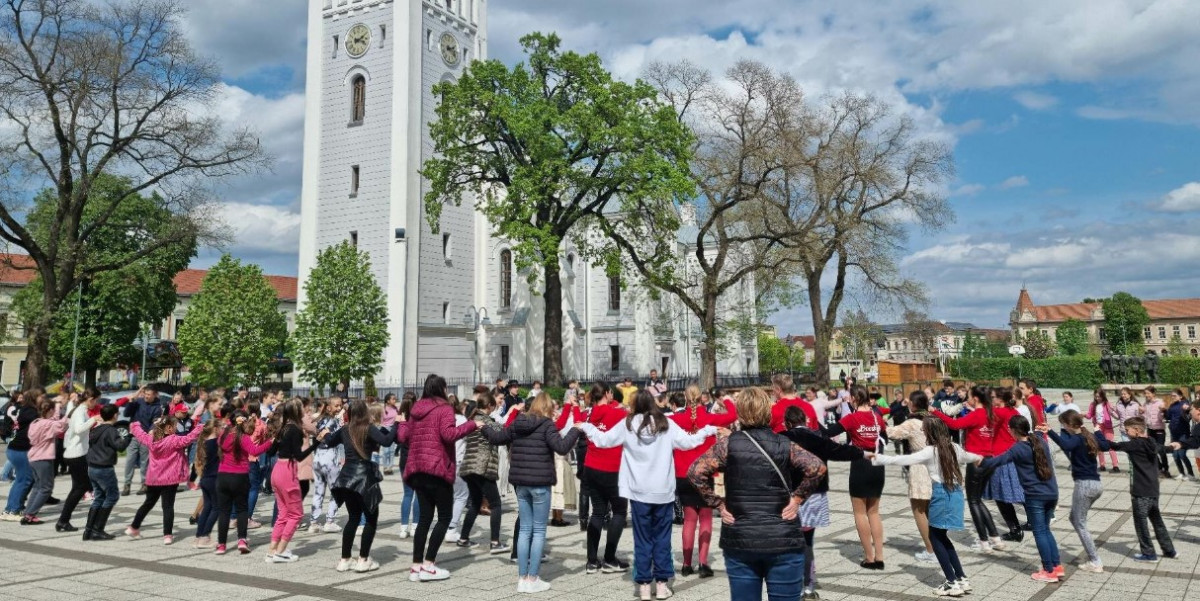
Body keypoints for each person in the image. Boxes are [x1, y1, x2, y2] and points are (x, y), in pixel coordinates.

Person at [688, 386, 826, 601]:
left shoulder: (728, 445)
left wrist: (718, 504)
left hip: (741, 536)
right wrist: (797, 498)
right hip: (783, 536)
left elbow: (695, 472)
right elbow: (816, 467)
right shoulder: (784, 443)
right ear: (768, 412)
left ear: (740, 413)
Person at [578, 390, 717, 601]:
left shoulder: (628, 424)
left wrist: (586, 425)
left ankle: (643, 585)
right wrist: (708, 429)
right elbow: (689, 442)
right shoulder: (665, 424)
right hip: (662, 491)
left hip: (638, 491)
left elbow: (603, 440)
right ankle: (661, 585)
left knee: (642, 540)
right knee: (662, 539)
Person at [478, 392, 581, 594]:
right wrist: (575, 430)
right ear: (547, 408)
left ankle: (522, 578)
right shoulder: (547, 425)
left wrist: (484, 428)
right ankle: (532, 578)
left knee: (525, 530)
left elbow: (499, 438)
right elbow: (562, 447)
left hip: (521, 483)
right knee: (539, 530)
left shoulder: (518, 423)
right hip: (540, 484)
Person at [871, 418, 982, 597]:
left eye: (924, 430)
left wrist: (879, 459)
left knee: (935, 538)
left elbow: (905, 459)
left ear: (930, 432)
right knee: (942, 537)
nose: (923, 433)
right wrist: (978, 458)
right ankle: (961, 578)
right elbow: (968, 457)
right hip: (956, 495)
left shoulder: (930, 451)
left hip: (941, 495)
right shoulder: (954, 446)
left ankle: (951, 582)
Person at [397, 374, 478, 582]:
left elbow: (403, 437)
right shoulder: (444, 408)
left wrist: (404, 422)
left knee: (424, 519)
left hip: (417, 469)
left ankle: (415, 567)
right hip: (437, 468)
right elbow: (449, 435)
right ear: (441, 388)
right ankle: (429, 564)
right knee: (443, 518)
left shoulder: (416, 410)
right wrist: (471, 425)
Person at [780, 406, 862, 600]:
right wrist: (861, 452)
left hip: (789, 496)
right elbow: (839, 450)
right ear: (806, 421)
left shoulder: (782, 438)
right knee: (807, 542)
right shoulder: (818, 438)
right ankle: (808, 586)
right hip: (814, 495)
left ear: (787, 423)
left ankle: (791, 584)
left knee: (789, 542)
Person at [979, 416, 1062, 583]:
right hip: (1052, 492)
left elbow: (998, 461)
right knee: (1046, 530)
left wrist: (979, 462)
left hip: (1035, 496)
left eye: (1009, 429)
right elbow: (1038, 434)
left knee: (1040, 532)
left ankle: (1048, 570)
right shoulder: (1039, 441)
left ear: (1013, 430)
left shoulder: (1018, 448)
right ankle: (1057, 567)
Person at [670, 385, 737, 580]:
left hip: (682, 473)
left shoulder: (676, 419)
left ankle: (686, 563)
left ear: (685, 397)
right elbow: (732, 415)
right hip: (706, 473)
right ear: (702, 398)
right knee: (705, 517)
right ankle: (703, 562)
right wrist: (725, 400)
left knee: (689, 518)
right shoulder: (709, 418)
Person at [322, 399, 393, 572]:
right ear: (364, 412)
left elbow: (329, 441)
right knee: (370, 519)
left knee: (353, 518)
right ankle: (363, 559)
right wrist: (397, 424)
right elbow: (387, 441)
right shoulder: (368, 428)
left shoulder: (345, 429)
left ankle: (345, 559)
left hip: (346, 479)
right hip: (364, 479)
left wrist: (324, 431)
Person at [1097, 416, 1177, 562]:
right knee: (1157, 521)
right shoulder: (1151, 442)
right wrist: (1173, 446)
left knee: (1141, 524)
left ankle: (1149, 554)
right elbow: (1163, 449)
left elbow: (1111, 445)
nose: (1126, 432)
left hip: (1140, 491)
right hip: (1153, 490)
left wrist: (1096, 433)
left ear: (1137, 430)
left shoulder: (1134, 445)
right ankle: (1169, 550)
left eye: (1127, 430)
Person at [934, 386, 1005, 553]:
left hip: (976, 461)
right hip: (989, 459)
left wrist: (935, 412)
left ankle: (984, 541)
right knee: (978, 499)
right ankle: (996, 538)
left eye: (970, 396)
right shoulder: (992, 414)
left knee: (973, 500)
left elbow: (954, 423)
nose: (968, 398)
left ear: (976, 399)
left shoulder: (977, 415)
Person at [827, 386, 888, 569]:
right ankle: (880, 556)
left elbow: (829, 432)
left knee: (860, 512)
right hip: (877, 464)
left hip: (861, 464)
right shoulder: (877, 417)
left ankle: (869, 558)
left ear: (853, 398)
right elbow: (884, 438)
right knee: (874, 512)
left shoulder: (852, 418)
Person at [127, 413, 204, 543]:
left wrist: (135, 425)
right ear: (168, 428)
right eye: (175, 426)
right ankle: (167, 535)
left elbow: (140, 435)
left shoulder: (151, 439)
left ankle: (134, 527)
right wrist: (200, 427)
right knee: (168, 507)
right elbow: (189, 438)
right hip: (170, 479)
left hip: (154, 479)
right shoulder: (174, 440)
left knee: (148, 503)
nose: (176, 429)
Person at [1043, 410, 1104, 573]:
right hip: (1096, 484)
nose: (1063, 427)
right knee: (1074, 518)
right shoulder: (1087, 436)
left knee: (1080, 523)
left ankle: (1095, 561)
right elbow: (1104, 445)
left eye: (1063, 424)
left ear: (1070, 425)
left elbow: (1066, 445)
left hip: (1085, 486)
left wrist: (1049, 431)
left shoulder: (1077, 439)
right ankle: (1093, 557)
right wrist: (1098, 432)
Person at [579, 381, 631, 574]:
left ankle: (591, 560)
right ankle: (609, 558)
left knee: (598, 511)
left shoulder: (587, 414)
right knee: (618, 511)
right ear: (608, 394)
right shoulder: (618, 413)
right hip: (613, 468)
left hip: (591, 466)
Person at [265, 399, 322, 563]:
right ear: (297, 412)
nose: (305, 411)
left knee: (283, 513)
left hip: (277, 470)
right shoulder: (296, 429)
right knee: (296, 514)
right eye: (302, 409)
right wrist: (315, 444)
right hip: (288, 471)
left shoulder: (283, 428)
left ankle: (272, 550)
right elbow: (299, 456)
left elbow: (270, 452)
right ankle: (281, 551)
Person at [884, 391, 937, 564]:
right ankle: (937, 546)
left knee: (919, 510)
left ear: (913, 405)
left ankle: (931, 550)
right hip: (937, 465)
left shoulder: (913, 423)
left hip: (920, 467)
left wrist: (877, 421)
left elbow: (891, 433)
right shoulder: (934, 419)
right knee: (931, 509)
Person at [215, 410, 274, 555]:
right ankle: (242, 539)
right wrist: (269, 442)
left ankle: (221, 544)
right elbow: (254, 451)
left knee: (224, 511)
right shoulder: (244, 437)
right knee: (242, 510)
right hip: (240, 476)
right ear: (244, 422)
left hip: (222, 476)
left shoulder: (223, 435)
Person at [456, 393, 507, 554]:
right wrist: (512, 411)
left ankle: (464, 538)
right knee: (496, 504)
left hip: (468, 466)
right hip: (482, 466)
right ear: (490, 406)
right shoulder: (486, 421)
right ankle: (495, 542)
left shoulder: (472, 419)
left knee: (476, 502)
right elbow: (503, 433)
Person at [82, 404, 131, 540]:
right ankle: (98, 529)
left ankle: (88, 530)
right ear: (115, 415)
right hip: (104, 468)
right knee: (112, 496)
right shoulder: (111, 430)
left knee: (99, 497)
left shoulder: (96, 429)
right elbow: (120, 447)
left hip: (92, 467)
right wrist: (128, 436)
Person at [985, 388, 1026, 542]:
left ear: (1000, 399)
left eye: (993, 396)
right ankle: (1036, 521)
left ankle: (1015, 529)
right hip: (1013, 455)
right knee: (1018, 492)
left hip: (1001, 457)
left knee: (1001, 496)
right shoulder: (1014, 411)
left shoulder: (1000, 412)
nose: (991, 399)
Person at [57, 387, 100, 532]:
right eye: (96, 400)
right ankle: (63, 520)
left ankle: (63, 520)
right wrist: (94, 419)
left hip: (77, 453)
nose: (96, 403)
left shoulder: (80, 410)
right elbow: (78, 429)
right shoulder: (80, 411)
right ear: (91, 399)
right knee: (80, 488)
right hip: (76, 455)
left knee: (79, 487)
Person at [22, 397, 68, 525]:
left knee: (38, 486)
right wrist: (68, 412)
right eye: (54, 410)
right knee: (46, 488)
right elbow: (61, 426)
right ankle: (30, 515)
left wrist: (57, 406)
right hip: (43, 458)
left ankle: (27, 513)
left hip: (33, 457)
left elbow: (53, 421)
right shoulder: (48, 424)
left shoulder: (36, 422)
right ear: (51, 410)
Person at [1, 390, 40, 521]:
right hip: (21, 449)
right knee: (24, 480)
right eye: (41, 396)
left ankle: (9, 510)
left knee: (20, 480)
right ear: (35, 398)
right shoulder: (32, 412)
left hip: (15, 448)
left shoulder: (25, 409)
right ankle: (14, 510)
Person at [310, 397, 344, 533]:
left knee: (318, 491)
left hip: (318, 457)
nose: (339, 408)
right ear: (329, 407)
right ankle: (330, 521)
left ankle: (314, 522)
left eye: (340, 405)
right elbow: (336, 440)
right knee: (336, 490)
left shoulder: (319, 420)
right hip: (330, 457)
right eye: (337, 406)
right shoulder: (333, 421)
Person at [123, 387, 164, 495]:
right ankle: (127, 485)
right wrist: (131, 402)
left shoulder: (157, 408)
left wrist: (151, 430)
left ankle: (144, 484)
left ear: (154, 395)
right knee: (129, 461)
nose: (146, 396)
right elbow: (126, 414)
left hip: (146, 437)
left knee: (144, 462)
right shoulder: (138, 402)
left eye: (149, 394)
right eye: (145, 394)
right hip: (134, 436)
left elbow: (155, 422)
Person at [191, 417, 223, 549]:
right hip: (214, 479)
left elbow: (195, 464)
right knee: (217, 508)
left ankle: (198, 537)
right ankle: (205, 536)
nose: (222, 430)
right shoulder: (216, 443)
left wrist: (191, 479)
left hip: (204, 479)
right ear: (215, 429)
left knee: (207, 508)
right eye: (220, 427)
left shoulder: (203, 443)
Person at [395, 392, 421, 537]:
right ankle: (415, 525)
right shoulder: (418, 419)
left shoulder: (401, 420)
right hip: (417, 459)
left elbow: (399, 438)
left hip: (405, 459)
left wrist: (399, 422)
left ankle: (404, 527)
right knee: (417, 494)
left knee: (407, 494)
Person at [1141, 387, 1172, 478]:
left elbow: (1165, 417)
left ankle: (1166, 469)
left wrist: (1163, 411)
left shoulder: (1160, 403)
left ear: (1153, 393)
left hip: (1159, 430)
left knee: (1161, 450)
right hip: (1150, 429)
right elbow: (1144, 417)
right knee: (1151, 450)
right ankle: (1159, 467)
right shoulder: (1145, 404)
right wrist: (1141, 412)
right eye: (1145, 393)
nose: (1146, 395)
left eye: (1148, 393)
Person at [1086, 389, 1120, 472]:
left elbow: (1114, 414)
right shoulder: (1093, 404)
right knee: (1099, 446)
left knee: (1110, 445)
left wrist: (1115, 409)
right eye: (1096, 396)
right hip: (1098, 427)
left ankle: (1115, 466)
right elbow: (1089, 415)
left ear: (1102, 396)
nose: (1097, 398)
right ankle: (1102, 465)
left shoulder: (1106, 403)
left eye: (1099, 396)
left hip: (1107, 427)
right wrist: (1083, 415)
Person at [1165, 389, 1195, 481]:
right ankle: (1181, 473)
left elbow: (1189, 415)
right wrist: (1164, 410)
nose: (1172, 397)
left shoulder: (1185, 404)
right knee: (1175, 455)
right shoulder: (1172, 406)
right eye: (1172, 396)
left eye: (1174, 396)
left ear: (1180, 396)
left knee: (1182, 454)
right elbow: (1168, 417)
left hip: (1183, 434)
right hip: (1174, 434)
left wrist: (1187, 409)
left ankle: (1191, 474)